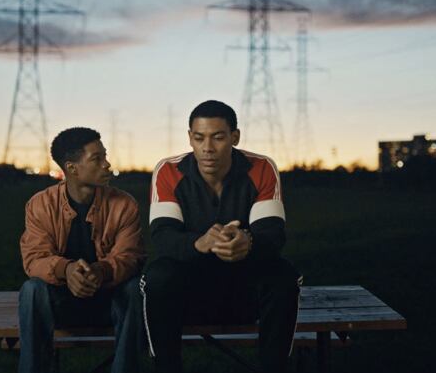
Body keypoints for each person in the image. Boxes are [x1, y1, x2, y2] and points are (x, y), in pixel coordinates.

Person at [140, 100, 302, 373]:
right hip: (190, 286)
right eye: (199, 137)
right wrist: (199, 242)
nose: (207, 148)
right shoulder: (168, 170)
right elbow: (163, 236)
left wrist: (247, 242)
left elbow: (272, 234)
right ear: (190, 138)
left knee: (283, 275)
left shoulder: (261, 167)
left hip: (244, 283)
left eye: (218, 137)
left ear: (234, 137)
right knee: (158, 276)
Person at [18, 127, 145, 373]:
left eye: (105, 155)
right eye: (97, 159)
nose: (107, 164)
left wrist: (100, 270)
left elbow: (131, 256)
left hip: (109, 299)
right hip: (62, 300)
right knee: (32, 290)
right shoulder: (40, 205)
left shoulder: (124, 204)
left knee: (134, 288)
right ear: (71, 168)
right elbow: (34, 258)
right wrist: (67, 270)